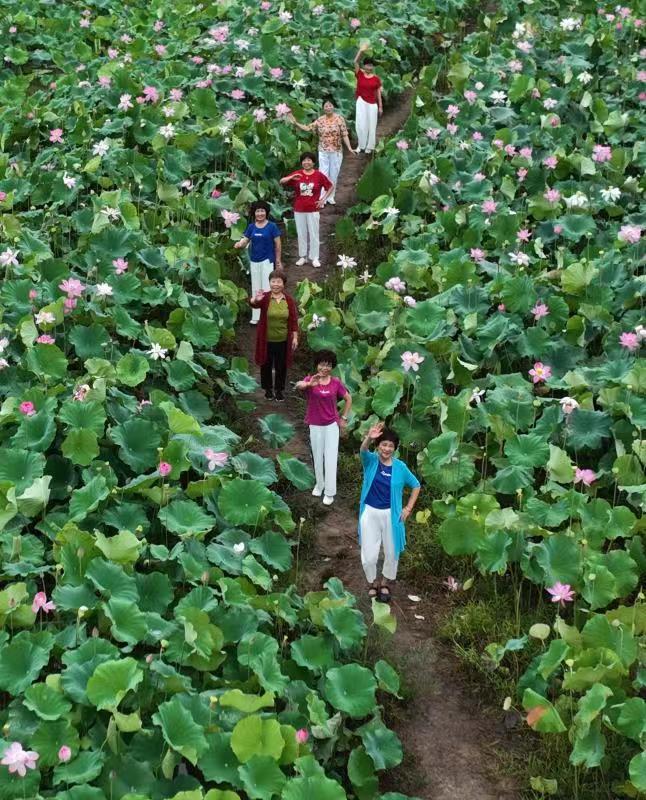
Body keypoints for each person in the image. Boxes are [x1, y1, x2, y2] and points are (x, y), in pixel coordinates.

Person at [358, 421, 420, 602]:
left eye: (390, 446)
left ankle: (384, 582)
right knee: (369, 556)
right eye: (383, 444)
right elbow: (363, 450)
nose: (386, 449)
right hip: (370, 513)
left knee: (392, 553)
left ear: (395, 448)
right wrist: (369, 437)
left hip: (391, 515)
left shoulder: (400, 467)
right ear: (378, 446)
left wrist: (408, 508)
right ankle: (372, 583)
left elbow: (416, 485)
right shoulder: (370, 461)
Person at [295, 350, 352, 506]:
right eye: (322, 364)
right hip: (315, 424)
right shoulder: (310, 379)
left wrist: (344, 418)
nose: (324, 368)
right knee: (317, 456)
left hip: (332, 425)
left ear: (332, 367)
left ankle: (329, 492)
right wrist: (308, 384)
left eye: (328, 365)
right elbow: (298, 385)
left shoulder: (336, 382)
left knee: (331, 457)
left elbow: (348, 398)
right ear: (317, 365)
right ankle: (319, 485)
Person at [288, 100, 354, 205]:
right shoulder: (320, 120)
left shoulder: (339, 119)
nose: (328, 107)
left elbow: (344, 134)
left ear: (333, 106)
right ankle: (322, 198)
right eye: (326, 106)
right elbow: (308, 128)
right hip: (323, 151)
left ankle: (331, 197)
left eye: (330, 105)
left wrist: (349, 147)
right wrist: (296, 123)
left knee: (334, 174)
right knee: (323, 174)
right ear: (323, 108)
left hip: (336, 151)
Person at [249, 270, 298, 401]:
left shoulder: (288, 300)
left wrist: (295, 337)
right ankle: (268, 389)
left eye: (278, 282)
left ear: (284, 284)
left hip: (283, 340)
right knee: (266, 364)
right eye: (273, 281)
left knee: (281, 366)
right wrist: (255, 299)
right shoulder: (265, 297)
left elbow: (293, 320)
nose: (275, 284)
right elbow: (254, 304)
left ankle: (279, 390)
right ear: (269, 283)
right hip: (266, 340)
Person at [279, 152, 333, 268]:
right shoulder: (297, 174)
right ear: (301, 162)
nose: (306, 162)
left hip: (313, 209)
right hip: (299, 209)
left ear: (313, 162)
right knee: (301, 233)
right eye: (304, 160)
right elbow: (282, 181)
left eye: (309, 160)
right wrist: (291, 177)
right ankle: (302, 257)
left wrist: (323, 199)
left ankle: (314, 257)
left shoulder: (318, 175)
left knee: (314, 234)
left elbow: (330, 186)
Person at [234, 201, 282, 325]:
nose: (260, 213)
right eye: (257, 211)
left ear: (266, 212)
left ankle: (268, 316)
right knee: (256, 288)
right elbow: (245, 240)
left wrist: (278, 260)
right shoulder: (251, 227)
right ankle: (256, 316)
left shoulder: (272, 226)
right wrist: (239, 244)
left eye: (262, 211)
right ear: (254, 213)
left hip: (268, 261)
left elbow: (277, 244)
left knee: (267, 288)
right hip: (254, 261)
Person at [353, 44, 383, 154]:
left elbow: (378, 92)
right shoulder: (359, 74)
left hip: (372, 104)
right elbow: (355, 62)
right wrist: (361, 51)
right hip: (361, 101)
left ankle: (369, 147)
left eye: (371, 66)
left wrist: (380, 106)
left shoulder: (376, 79)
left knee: (372, 124)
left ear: (373, 67)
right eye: (367, 65)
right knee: (360, 124)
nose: (369, 67)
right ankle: (360, 145)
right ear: (364, 66)